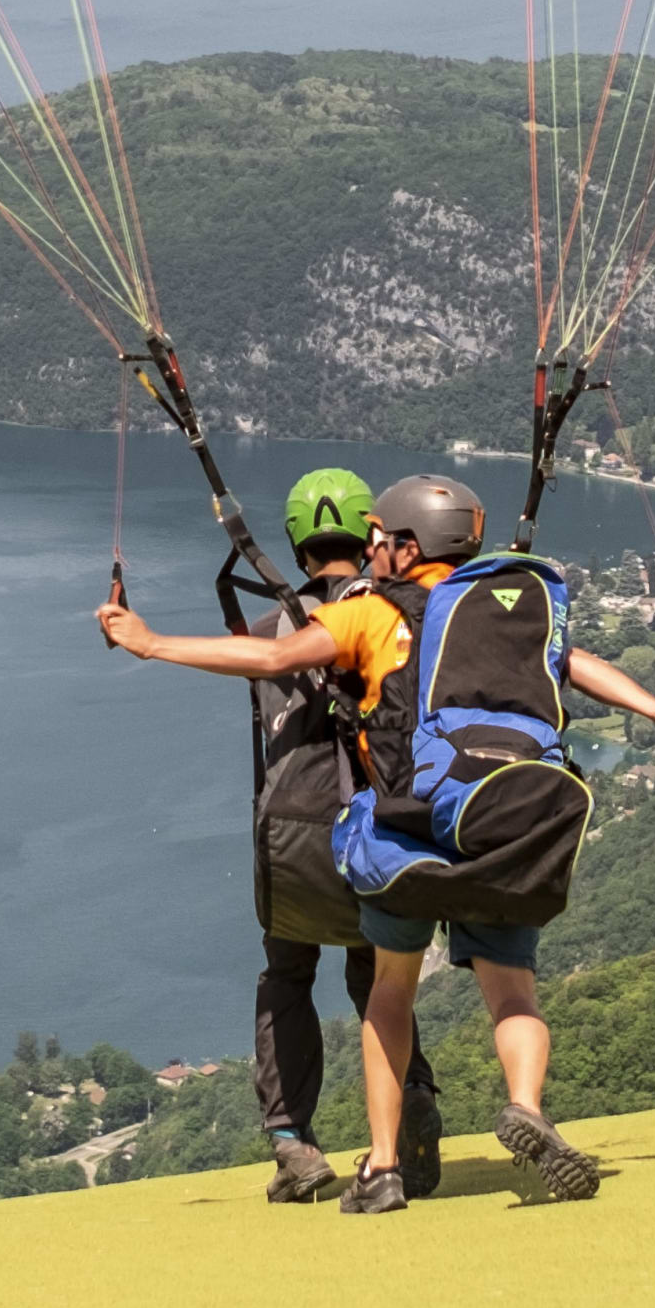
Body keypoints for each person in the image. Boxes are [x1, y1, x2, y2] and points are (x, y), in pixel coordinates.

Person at [97, 471, 655, 1216]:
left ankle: (383, 1168)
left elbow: (271, 659)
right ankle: (527, 1105)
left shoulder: (370, 614)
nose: (370, 554)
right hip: (500, 828)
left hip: (409, 834)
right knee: (513, 990)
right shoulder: (507, 612)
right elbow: (571, 665)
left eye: (380, 542)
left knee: (388, 988)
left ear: (404, 546)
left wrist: (150, 642)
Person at [234, 466, 443, 1205]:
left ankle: (294, 1142)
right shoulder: (396, 620)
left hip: (286, 837)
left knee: (287, 974)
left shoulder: (268, 632)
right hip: (371, 828)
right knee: (377, 973)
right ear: (371, 535)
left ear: (296, 541)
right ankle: (411, 1093)